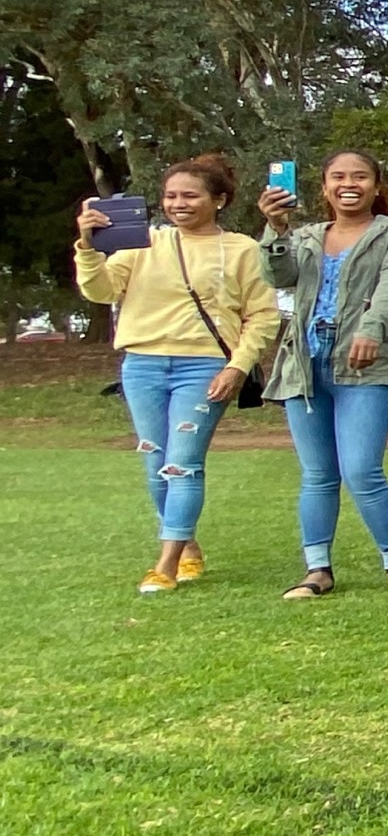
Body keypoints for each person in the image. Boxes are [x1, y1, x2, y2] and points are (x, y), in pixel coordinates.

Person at [74, 154, 279, 594]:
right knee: (155, 462)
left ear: (218, 200)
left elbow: (262, 316)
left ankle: (164, 565)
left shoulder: (241, 248)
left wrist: (237, 366)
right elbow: (101, 290)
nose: (178, 203)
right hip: (142, 364)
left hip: (203, 367)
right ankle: (188, 547)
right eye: (170, 196)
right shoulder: (141, 243)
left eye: (190, 195)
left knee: (182, 464)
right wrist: (88, 248)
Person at [258, 150, 388, 597]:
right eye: (338, 176)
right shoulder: (307, 236)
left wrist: (372, 329)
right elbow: (278, 277)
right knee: (317, 474)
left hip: (369, 366)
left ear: (377, 186)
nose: (348, 183)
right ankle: (317, 570)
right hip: (305, 365)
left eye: (360, 176)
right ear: (324, 187)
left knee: (361, 469)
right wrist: (276, 229)